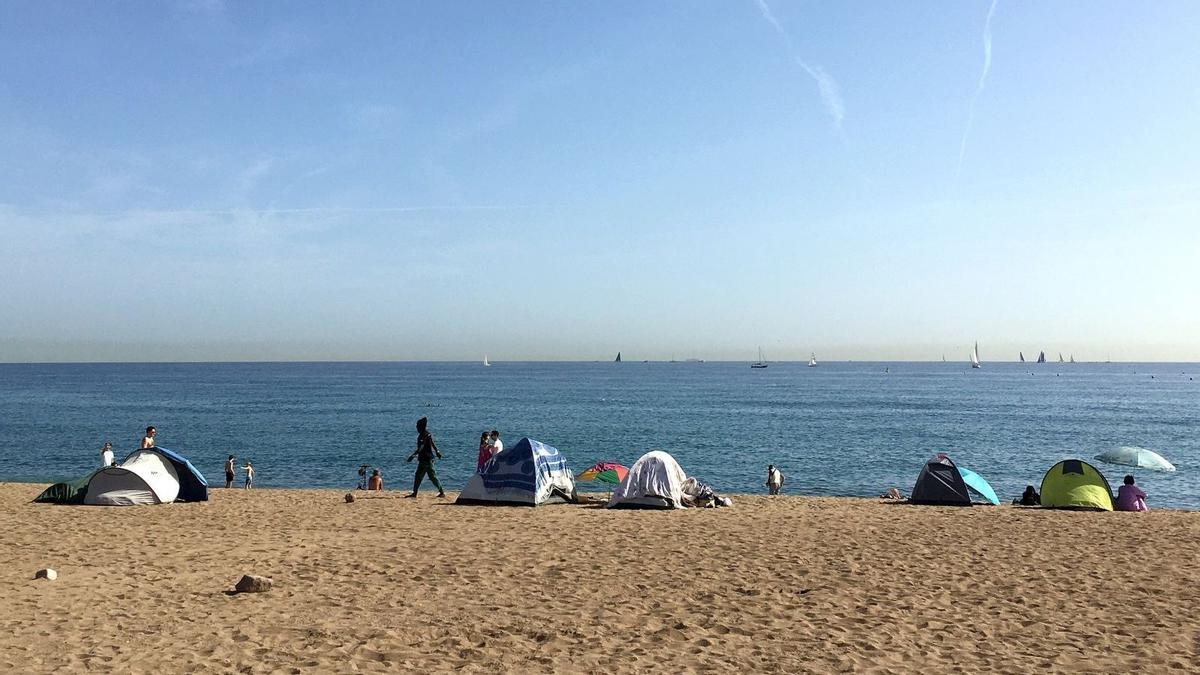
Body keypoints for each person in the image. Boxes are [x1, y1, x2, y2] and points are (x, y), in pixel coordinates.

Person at [406, 417, 445, 498]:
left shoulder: (423, 436)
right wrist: (437, 451)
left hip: (427, 459)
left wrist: (413, 455)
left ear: (421, 427)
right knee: (419, 475)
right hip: (424, 459)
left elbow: (421, 447)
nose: (416, 427)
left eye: (417, 426)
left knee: (432, 476)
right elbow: (432, 443)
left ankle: (441, 492)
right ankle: (415, 493)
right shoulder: (427, 434)